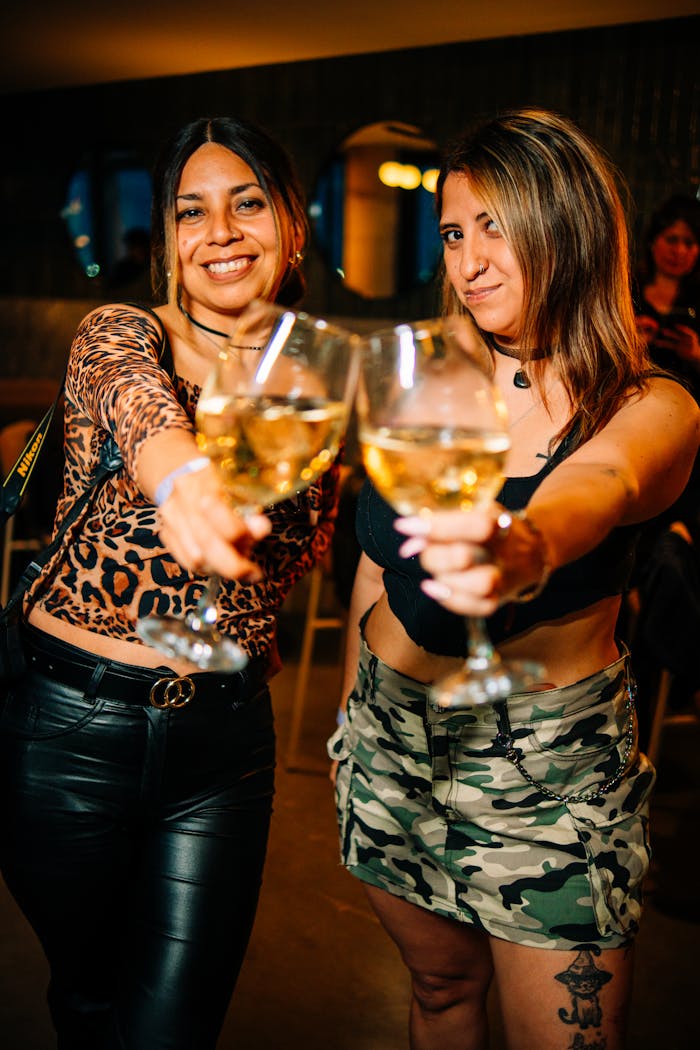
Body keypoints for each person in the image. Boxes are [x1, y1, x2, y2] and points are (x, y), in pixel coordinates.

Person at [328, 108, 700, 1050]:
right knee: (440, 991)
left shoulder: (651, 403)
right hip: (390, 747)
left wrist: (523, 544)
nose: (470, 260)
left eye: (497, 225)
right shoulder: (424, 383)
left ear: (566, 225)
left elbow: (602, 481)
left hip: (544, 771)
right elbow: (375, 560)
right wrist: (351, 725)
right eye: (455, 232)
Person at [0, 116, 340, 1050]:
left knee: (173, 1032)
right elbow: (140, 409)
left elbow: (297, 559)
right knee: (90, 1001)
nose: (220, 231)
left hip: (222, 750)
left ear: (293, 228)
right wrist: (186, 482)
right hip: (68, 733)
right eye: (192, 211)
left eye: (248, 203)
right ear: (169, 236)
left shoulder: (319, 382)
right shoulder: (120, 333)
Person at [634, 193, 700, 396]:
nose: (679, 251)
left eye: (689, 243)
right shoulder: (626, 292)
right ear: (653, 241)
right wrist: (630, 341)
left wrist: (696, 356)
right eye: (672, 239)